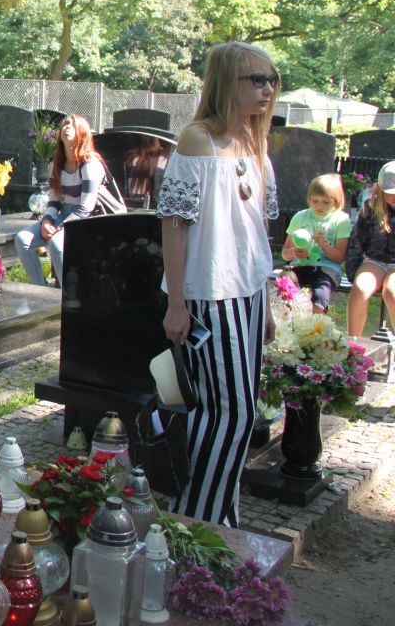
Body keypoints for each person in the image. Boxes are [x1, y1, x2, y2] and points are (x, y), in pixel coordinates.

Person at [157, 41, 279, 527]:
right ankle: (195, 522)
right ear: (229, 81)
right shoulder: (197, 141)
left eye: (272, 80)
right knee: (231, 412)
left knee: (233, 413)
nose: (267, 89)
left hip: (247, 294)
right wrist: (177, 304)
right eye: (257, 79)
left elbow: (258, 233)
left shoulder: (254, 141)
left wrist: (265, 302)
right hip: (208, 294)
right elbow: (174, 226)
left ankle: (221, 518)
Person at [14, 114, 105, 287]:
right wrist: (46, 222)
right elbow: (54, 201)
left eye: (72, 124)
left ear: (82, 132)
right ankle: (40, 290)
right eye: (64, 124)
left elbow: (86, 208)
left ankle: (69, 295)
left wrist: (59, 228)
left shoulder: (90, 164)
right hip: (63, 216)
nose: (66, 127)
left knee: (56, 243)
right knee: (22, 239)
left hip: (87, 220)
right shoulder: (56, 165)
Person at [280, 174, 350, 315]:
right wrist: (295, 252)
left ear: (336, 201)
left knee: (320, 297)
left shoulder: (341, 220)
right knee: (285, 284)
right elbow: (285, 254)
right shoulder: (300, 217)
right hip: (300, 265)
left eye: (326, 202)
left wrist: (323, 244)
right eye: (315, 201)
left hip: (327, 268)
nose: (319, 206)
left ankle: (318, 326)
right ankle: (286, 322)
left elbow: (340, 257)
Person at [344, 163, 395, 339]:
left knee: (392, 292)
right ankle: (353, 344)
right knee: (360, 289)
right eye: (390, 192)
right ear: (380, 189)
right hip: (375, 260)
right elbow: (357, 240)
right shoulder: (370, 207)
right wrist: (353, 271)